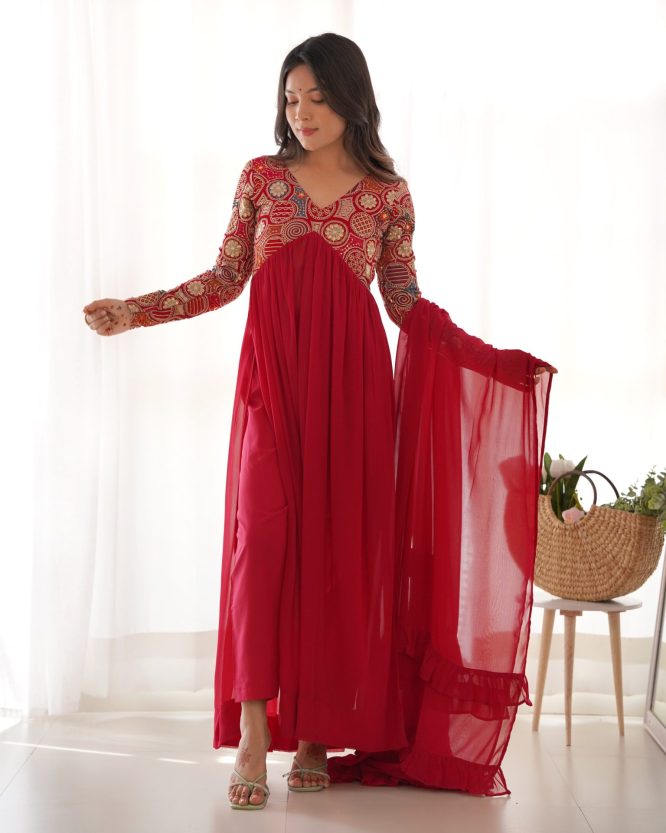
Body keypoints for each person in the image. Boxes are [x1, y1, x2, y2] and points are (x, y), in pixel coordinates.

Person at [83, 33, 557, 811]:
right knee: (261, 547)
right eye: (291, 98)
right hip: (273, 388)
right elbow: (225, 277)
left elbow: (402, 301)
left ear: (351, 99)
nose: (300, 112)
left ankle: (316, 732)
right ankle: (253, 729)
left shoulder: (388, 195)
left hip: (356, 396)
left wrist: (486, 358)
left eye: (317, 97)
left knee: (338, 556)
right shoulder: (262, 178)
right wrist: (135, 311)